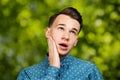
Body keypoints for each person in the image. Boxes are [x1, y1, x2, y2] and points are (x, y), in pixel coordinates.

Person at [17, 7, 103, 80]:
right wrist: (53, 69)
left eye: (72, 32)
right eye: (61, 28)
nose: (66, 36)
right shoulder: (28, 75)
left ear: (76, 41)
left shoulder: (89, 71)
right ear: (48, 32)